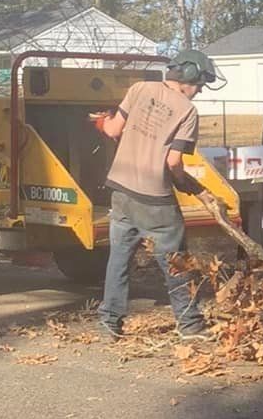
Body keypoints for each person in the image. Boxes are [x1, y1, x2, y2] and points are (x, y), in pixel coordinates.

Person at [93, 51, 221, 341]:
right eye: (199, 83)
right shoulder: (187, 111)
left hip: (121, 191)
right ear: (188, 77)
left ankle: (109, 322)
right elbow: (173, 162)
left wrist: (102, 123)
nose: (199, 90)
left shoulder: (139, 89)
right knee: (176, 261)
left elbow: (113, 129)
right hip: (155, 198)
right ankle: (189, 324)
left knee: (119, 259)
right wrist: (189, 186)